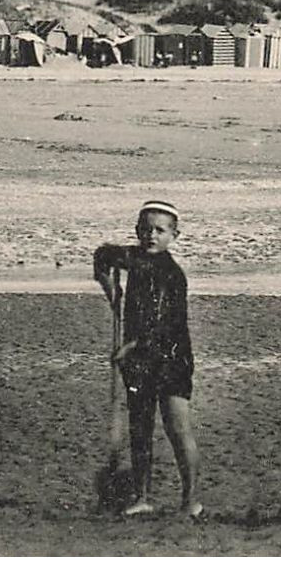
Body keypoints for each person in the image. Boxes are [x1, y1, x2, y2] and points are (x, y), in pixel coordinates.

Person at [92, 200, 201, 519]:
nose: (151, 235)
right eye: (145, 229)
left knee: (177, 427)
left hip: (171, 357)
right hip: (139, 359)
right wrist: (109, 286)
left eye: (159, 230)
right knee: (140, 427)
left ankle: (191, 500)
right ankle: (142, 497)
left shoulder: (172, 275)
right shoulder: (135, 259)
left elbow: (162, 325)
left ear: (174, 235)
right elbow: (103, 254)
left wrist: (129, 347)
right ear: (137, 231)